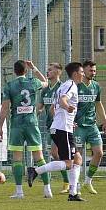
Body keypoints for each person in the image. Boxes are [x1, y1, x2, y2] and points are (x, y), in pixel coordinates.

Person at [28, 61, 85, 201]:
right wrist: (67, 109)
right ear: (76, 73)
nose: (83, 75)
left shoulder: (63, 86)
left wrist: (66, 120)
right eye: (82, 72)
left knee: (77, 159)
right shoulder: (70, 85)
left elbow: (53, 109)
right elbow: (63, 101)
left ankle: (73, 193)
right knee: (68, 163)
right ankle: (35, 170)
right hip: (62, 129)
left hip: (60, 127)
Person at [0, 60, 50, 199]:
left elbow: (4, 108)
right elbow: (46, 83)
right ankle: (47, 189)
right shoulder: (33, 82)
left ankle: (19, 192)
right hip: (32, 124)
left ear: (14, 71)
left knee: (17, 159)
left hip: (17, 125)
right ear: (26, 71)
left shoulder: (9, 86)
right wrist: (35, 68)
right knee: (39, 157)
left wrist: (0, 127)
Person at [75, 60, 106, 194]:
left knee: (99, 153)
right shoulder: (76, 86)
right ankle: (75, 183)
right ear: (83, 70)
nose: (93, 73)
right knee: (77, 155)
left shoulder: (96, 86)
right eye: (91, 70)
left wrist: (105, 121)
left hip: (92, 125)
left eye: (95, 71)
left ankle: (88, 181)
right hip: (78, 126)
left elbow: (98, 104)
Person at [37, 62, 69, 193]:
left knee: (58, 153)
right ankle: (70, 181)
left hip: (63, 125)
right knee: (57, 154)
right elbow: (39, 107)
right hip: (51, 126)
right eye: (47, 70)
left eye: (50, 70)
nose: (47, 72)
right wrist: (37, 111)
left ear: (58, 72)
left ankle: (69, 182)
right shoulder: (45, 90)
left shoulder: (63, 88)